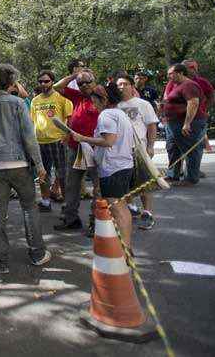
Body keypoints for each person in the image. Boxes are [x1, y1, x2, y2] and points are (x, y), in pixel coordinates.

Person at [0, 65, 51, 273]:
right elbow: (29, 137)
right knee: (29, 207)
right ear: (10, 83)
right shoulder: (18, 103)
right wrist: (40, 165)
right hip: (20, 165)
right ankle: (37, 253)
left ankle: (2, 261)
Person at [71, 83, 135, 253]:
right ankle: (127, 246)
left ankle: (124, 249)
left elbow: (109, 141)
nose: (94, 106)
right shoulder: (120, 114)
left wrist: (83, 138)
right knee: (121, 207)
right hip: (123, 165)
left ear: (104, 99)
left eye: (95, 102)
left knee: (117, 208)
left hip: (113, 167)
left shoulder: (106, 115)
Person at [53, 68, 100, 231]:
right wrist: (75, 75)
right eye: (80, 83)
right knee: (72, 184)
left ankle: (97, 222)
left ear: (95, 81)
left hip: (96, 147)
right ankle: (70, 218)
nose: (84, 85)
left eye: (88, 81)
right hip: (76, 147)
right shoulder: (77, 96)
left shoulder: (103, 97)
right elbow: (57, 87)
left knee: (98, 185)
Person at [116, 74, 159, 230]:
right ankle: (131, 209)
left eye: (125, 84)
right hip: (120, 152)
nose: (121, 87)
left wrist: (151, 146)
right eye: (119, 84)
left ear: (131, 86)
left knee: (143, 184)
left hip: (139, 149)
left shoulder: (143, 104)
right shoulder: (115, 106)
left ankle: (147, 213)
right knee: (126, 183)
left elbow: (152, 126)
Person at [30, 70, 73, 212]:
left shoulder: (61, 98)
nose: (43, 84)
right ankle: (45, 201)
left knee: (62, 174)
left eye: (46, 81)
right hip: (40, 142)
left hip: (58, 141)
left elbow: (70, 118)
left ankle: (68, 204)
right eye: (40, 81)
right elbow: (32, 122)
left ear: (52, 82)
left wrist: (67, 136)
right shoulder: (35, 100)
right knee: (43, 173)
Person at [162, 63, 207, 186]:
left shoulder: (189, 85)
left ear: (180, 73)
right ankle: (173, 175)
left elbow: (193, 103)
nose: (169, 76)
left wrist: (187, 123)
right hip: (172, 123)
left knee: (190, 150)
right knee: (172, 148)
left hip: (186, 123)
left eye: (171, 74)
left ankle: (191, 178)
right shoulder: (176, 85)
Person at [183, 59, 215, 154]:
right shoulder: (174, 82)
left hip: (197, 118)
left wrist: (203, 109)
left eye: (195, 67)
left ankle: (194, 168)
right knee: (178, 147)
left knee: (195, 147)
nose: (194, 69)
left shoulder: (203, 82)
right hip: (178, 118)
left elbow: (212, 97)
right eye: (191, 67)